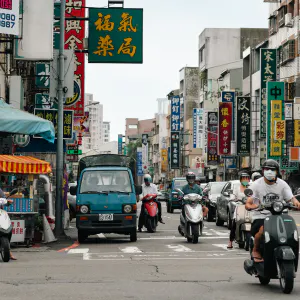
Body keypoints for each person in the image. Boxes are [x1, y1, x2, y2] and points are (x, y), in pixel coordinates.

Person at [245, 159, 300, 262]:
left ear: (277, 171)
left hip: (280, 215)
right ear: (263, 171)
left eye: (272, 169)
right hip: (261, 215)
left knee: (292, 232)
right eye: (267, 169)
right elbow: (249, 201)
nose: (269, 171)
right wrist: (250, 205)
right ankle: (256, 249)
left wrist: (296, 203)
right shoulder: (256, 184)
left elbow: (291, 198)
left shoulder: (283, 184)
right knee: (262, 230)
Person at [227, 172, 250, 249]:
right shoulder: (237, 188)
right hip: (240, 207)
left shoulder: (251, 188)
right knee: (234, 223)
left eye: (247, 179)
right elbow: (233, 196)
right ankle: (230, 242)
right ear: (241, 180)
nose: (245, 180)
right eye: (244, 179)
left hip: (249, 208)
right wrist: (233, 198)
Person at [0, 187, 16, 260]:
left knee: (6, 228)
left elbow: (5, 199)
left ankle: (8, 252)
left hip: (0, 213)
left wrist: (8, 202)